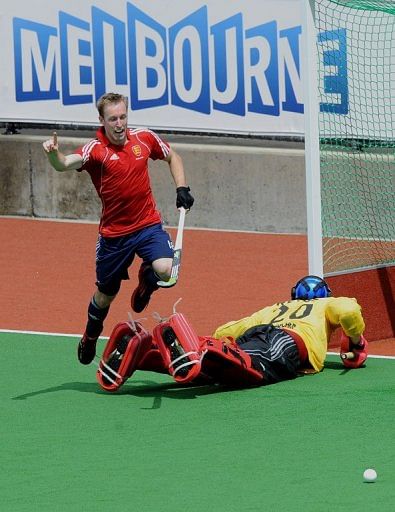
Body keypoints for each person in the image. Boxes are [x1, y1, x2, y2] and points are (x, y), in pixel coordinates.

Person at [42, 92, 194, 366]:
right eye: (113, 118)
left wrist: (182, 188)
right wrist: (54, 155)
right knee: (105, 296)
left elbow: (174, 157)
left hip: (148, 225)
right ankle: (90, 335)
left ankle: (146, 284)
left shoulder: (144, 138)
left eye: (123, 116)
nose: (119, 123)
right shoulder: (95, 150)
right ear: (102, 120)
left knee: (167, 270)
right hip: (114, 237)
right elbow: (64, 164)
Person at [95, 275, 369, 392]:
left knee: (216, 373)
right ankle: (200, 347)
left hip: (257, 335)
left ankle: (143, 351)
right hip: (286, 344)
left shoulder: (274, 307)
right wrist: (355, 340)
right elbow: (347, 310)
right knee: (252, 368)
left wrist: (214, 338)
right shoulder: (325, 304)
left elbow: (226, 330)